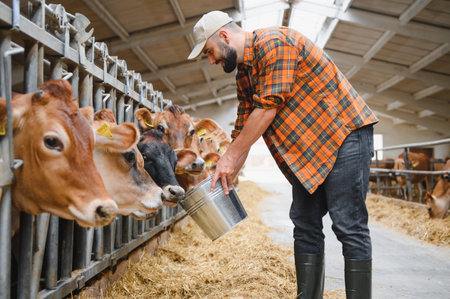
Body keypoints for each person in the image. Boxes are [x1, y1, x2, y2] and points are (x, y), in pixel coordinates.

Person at [187, 10, 378, 299]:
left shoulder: (274, 43)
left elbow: (267, 108)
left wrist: (230, 158)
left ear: (224, 36)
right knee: (304, 223)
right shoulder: (245, 72)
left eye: (210, 52)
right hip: (309, 151)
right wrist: (231, 164)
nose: (212, 61)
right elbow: (244, 120)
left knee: (348, 224)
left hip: (343, 136)